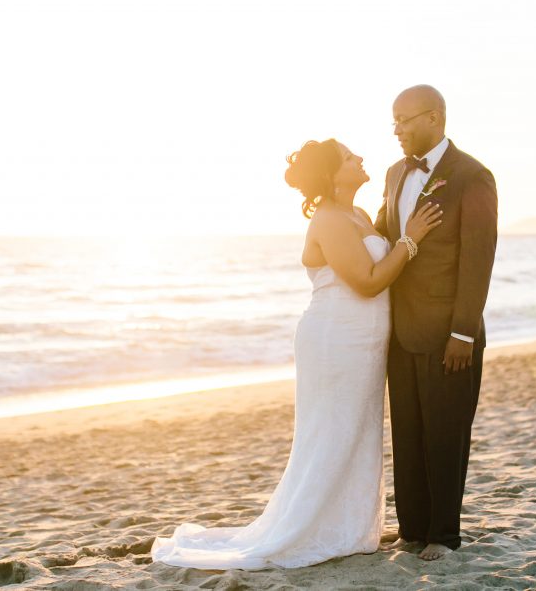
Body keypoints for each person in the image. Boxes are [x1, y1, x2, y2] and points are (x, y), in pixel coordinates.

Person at [151, 138, 442, 570]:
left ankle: (346, 528)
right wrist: (410, 240)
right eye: (348, 156)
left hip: (364, 342)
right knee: (330, 433)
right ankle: (308, 528)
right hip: (334, 341)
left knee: (356, 432)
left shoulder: (359, 214)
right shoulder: (328, 219)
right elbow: (366, 281)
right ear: (331, 173)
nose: (360, 157)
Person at [374, 85, 498, 561]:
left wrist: (463, 331)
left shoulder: (472, 176)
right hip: (399, 330)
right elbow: (388, 236)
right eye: (394, 122)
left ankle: (443, 535)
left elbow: (478, 258)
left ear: (435, 117)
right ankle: (411, 529)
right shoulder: (392, 174)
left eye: (405, 120)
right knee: (407, 432)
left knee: (446, 434)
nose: (398, 130)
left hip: (451, 333)